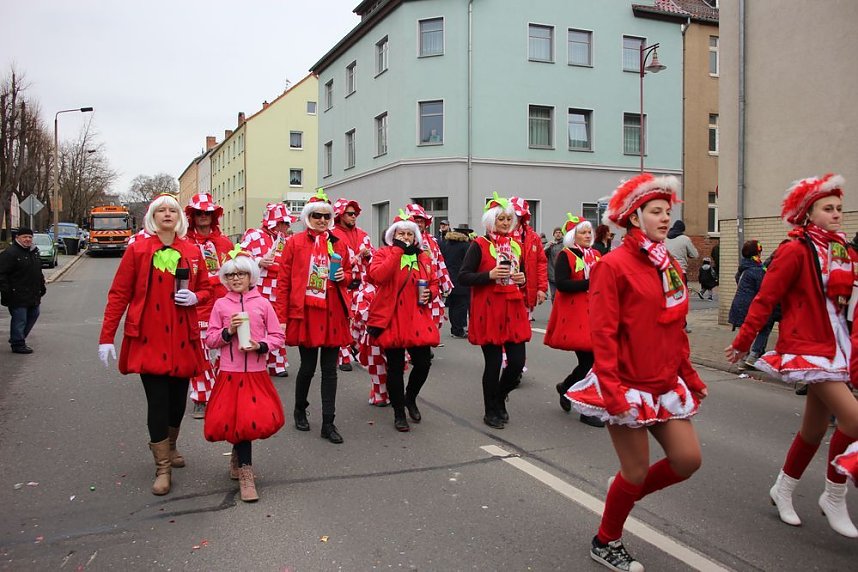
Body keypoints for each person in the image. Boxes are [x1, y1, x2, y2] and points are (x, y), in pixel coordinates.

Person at [565, 174, 707, 572]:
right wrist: (612, 391)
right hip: (625, 384)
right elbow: (603, 334)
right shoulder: (612, 266)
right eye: (656, 212)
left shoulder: (668, 263)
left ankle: (623, 494)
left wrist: (689, 376)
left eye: (667, 212)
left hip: (664, 382)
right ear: (633, 217)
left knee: (687, 460)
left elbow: (675, 328)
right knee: (636, 469)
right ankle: (606, 540)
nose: (665, 218)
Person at [726, 174, 858, 538]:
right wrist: (743, 340)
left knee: (813, 430)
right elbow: (765, 298)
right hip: (808, 348)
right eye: (827, 208)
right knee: (853, 420)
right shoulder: (794, 250)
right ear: (808, 213)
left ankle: (782, 489)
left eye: (839, 208)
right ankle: (834, 495)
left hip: (835, 348)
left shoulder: (841, 251)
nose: (836, 214)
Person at [98, 193, 212, 495]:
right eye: (161, 210)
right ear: (152, 217)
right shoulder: (137, 250)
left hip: (183, 338)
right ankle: (162, 467)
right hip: (149, 338)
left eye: (172, 209)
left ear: (180, 217)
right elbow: (119, 294)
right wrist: (106, 337)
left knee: (178, 403)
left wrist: (196, 297)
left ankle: (171, 446)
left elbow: (207, 289)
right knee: (158, 402)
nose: (167, 214)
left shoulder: (192, 251)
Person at [204, 249, 285, 502]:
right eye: (230, 275)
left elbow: (278, 336)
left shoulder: (262, 304)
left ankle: (239, 459)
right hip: (231, 373)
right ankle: (246, 473)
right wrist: (228, 332)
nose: (236, 278)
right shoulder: (220, 305)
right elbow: (210, 340)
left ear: (251, 277)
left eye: (241, 274)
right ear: (225, 279)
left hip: (256, 372)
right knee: (238, 421)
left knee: (249, 421)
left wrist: (260, 346)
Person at [275, 190, 352, 444]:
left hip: (332, 312)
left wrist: (344, 277)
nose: (321, 220)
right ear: (308, 217)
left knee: (330, 370)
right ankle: (300, 409)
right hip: (307, 312)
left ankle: (328, 422)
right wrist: (281, 317)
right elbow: (283, 282)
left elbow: (349, 273)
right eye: (317, 215)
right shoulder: (294, 243)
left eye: (326, 216)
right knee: (307, 367)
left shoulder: (338, 243)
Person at [459, 193, 530, 429]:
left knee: (516, 363)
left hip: (513, 309)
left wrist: (522, 279)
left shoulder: (516, 246)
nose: (506, 223)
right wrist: (488, 275)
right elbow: (464, 276)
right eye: (501, 219)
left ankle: (500, 397)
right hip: (488, 310)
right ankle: (491, 410)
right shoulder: (479, 245)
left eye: (509, 219)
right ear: (491, 221)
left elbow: (522, 275)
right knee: (493, 363)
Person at [366, 211, 440, 431]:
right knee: (395, 367)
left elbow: (434, 282)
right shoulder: (383, 253)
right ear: (393, 235)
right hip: (393, 318)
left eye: (409, 234)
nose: (406, 237)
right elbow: (378, 276)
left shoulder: (423, 257)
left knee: (423, 363)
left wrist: (431, 293)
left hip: (417, 317)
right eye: (401, 233)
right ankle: (399, 412)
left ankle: (410, 398)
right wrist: (397, 251)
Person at [544, 214, 603, 427]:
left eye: (589, 232)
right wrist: (589, 283)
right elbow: (562, 284)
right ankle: (585, 408)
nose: (587, 235)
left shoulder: (596, 254)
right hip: (576, 314)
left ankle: (567, 387)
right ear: (573, 236)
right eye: (583, 232)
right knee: (590, 362)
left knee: (592, 362)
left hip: (596, 314)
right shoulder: (566, 255)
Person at [184, 193, 234, 419]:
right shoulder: (185, 243)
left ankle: (222, 394)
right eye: (199, 213)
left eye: (207, 212)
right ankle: (201, 398)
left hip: (224, 305)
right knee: (201, 354)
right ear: (192, 216)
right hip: (198, 307)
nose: (203, 216)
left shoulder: (225, 243)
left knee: (225, 354)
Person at [240, 203, 295, 378]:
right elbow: (239, 256)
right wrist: (258, 261)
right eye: (283, 222)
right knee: (257, 323)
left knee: (277, 324)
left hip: (280, 288)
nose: (286, 226)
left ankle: (277, 363)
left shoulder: (286, 240)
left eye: (287, 223)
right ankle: (257, 361)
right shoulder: (254, 235)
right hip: (259, 287)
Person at [332, 197, 374, 372]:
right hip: (342, 285)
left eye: (355, 213)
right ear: (341, 215)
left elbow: (373, 258)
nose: (353, 216)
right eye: (350, 213)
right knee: (342, 320)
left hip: (361, 285)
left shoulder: (363, 234)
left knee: (362, 318)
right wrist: (355, 258)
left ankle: (356, 347)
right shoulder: (332, 235)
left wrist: (368, 255)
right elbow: (333, 261)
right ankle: (343, 356)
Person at [405, 204, 453, 329]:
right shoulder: (405, 240)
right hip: (411, 288)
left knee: (432, 323)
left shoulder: (432, 240)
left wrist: (446, 282)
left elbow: (439, 262)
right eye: (416, 221)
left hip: (431, 287)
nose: (419, 224)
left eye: (421, 221)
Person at [727, 240, 774, 369]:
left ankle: (744, 357)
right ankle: (753, 356)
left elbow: (738, 279)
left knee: (746, 330)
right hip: (750, 304)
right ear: (757, 253)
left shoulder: (744, 267)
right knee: (765, 326)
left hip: (738, 304)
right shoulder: (757, 270)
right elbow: (763, 288)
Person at [0, 227, 46, 354]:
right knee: (20, 320)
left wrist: (42, 287)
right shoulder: (10, 253)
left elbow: (38, 272)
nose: (28, 239)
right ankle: (18, 344)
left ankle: (17, 338)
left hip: (32, 293)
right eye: (24, 237)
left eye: (30, 237)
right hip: (16, 294)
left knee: (34, 314)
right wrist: (6, 290)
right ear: (17, 238)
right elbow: (1, 274)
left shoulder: (34, 252)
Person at [510, 197, 548, 317]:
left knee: (524, 325)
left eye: (519, 215)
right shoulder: (500, 235)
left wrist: (542, 288)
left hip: (526, 291)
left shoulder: (533, 237)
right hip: (505, 290)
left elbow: (541, 263)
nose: (516, 218)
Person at [440, 223, 473, 338]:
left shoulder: (447, 244)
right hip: (461, 279)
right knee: (461, 305)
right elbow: (469, 263)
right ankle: (460, 329)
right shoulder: (465, 246)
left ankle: (454, 328)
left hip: (449, 279)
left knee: (453, 305)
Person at [544, 227, 565, 302]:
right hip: (552, 273)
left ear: (562, 234)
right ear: (553, 234)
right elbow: (543, 255)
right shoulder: (550, 245)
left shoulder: (565, 245)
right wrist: (548, 247)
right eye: (556, 233)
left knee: (562, 295)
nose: (558, 234)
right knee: (553, 295)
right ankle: (554, 308)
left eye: (559, 232)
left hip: (562, 274)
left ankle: (561, 308)